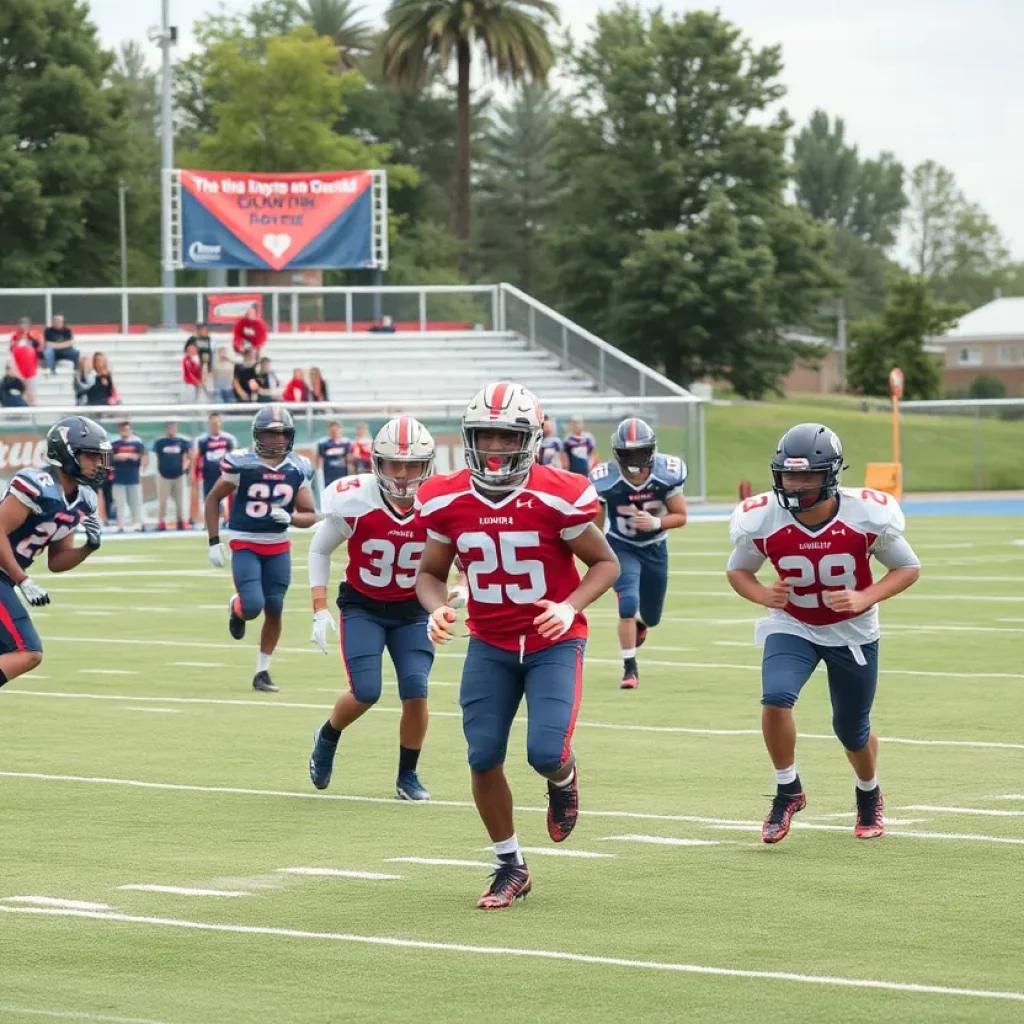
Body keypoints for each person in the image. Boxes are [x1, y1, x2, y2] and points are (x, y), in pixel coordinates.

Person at [415, 382, 620, 910]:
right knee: (483, 757)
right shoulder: (447, 497)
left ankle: (565, 778)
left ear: (529, 440)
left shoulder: (560, 492)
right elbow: (430, 574)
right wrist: (436, 606)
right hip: (490, 642)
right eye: (486, 436)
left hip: (553, 640)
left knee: (546, 753)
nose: (495, 448)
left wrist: (569, 605)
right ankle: (510, 864)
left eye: (507, 437)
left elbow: (606, 564)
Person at [725, 423, 922, 845]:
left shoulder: (865, 515)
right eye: (788, 475)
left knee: (851, 728)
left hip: (851, 631)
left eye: (807, 475)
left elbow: (908, 568)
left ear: (830, 474)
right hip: (793, 624)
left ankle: (868, 793)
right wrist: (763, 594)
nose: (795, 485)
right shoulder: (764, 518)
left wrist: (865, 596)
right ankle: (787, 789)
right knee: (776, 696)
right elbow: (738, 570)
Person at [307, 417, 439, 801]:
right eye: (394, 464)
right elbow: (319, 548)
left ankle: (407, 775)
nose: (402, 474)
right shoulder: (355, 501)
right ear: (376, 464)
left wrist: (459, 591)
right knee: (366, 691)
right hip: (364, 605)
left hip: (413, 610)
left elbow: (462, 558)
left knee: (416, 690)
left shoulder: (438, 504)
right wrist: (319, 607)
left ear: (427, 464)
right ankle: (327, 735)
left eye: (412, 464)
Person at [205, 406, 318, 693]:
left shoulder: (298, 467)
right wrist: (214, 541)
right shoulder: (242, 464)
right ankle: (237, 607)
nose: (275, 441)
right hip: (245, 541)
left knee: (276, 608)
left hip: (278, 546)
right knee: (253, 606)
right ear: (257, 435)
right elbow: (212, 499)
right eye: (269, 435)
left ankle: (262, 671)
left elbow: (309, 515)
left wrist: (290, 517)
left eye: (281, 435)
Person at [0, 416, 108, 687]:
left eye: (100, 456)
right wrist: (23, 580)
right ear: (68, 453)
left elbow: (57, 560)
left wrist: (88, 549)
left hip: (7, 578)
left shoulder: (83, 499)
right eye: (92, 455)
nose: (99, 463)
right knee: (27, 651)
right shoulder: (36, 483)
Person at [591, 417, 688, 690]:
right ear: (618, 453)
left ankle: (642, 626)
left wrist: (657, 522)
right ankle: (629, 668)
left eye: (639, 451)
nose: (634, 458)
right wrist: (597, 556)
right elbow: (595, 527)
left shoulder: (666, 474)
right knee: (627, 603)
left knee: (653, 616)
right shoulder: (605, 479)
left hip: (656, 547)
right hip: (621, 546)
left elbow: (681, 515)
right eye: (628, 453)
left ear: (651, 450)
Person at [194, 413, 236, 523]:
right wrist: (194, 474)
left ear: (220, 423)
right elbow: (197, 458)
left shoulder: (228, 439)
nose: (214, 425)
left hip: (224, 475)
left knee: (225, 499)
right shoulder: (203, 440)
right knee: (209, 500)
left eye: (216, 423)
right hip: (208, 475)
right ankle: (211, 522)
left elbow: (234, 456)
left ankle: (227, 520)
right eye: (212, 423)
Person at [152, 421, 191, 531]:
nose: (171, 429)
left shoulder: (182, 441)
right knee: (162, 501)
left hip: (179, 475)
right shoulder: (160, 442)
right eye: (169, 427)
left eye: (173, 427)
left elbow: (187, 455)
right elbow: (156, 456)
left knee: (180, 501)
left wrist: (185, 467)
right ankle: (161, 522)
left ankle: (181, 521)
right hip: (163, 475)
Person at [111, 420, 147, 532]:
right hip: (119, 478)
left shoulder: (137, 444)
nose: (125, 431)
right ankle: (120, 525)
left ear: (131, 430)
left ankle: (137, 524)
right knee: (120, 504)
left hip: (133, 478)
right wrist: (126, 456)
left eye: (127, 429)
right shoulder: (115, 444)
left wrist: (124, 456)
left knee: (135, 503)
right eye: (122, 429)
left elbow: (140, 457)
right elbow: (110, 458)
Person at [10, 319, 41, 404]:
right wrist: (19, 338)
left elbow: (38, 347)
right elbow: (12, 348)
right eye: (22, 324)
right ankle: (23, 403)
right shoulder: (15, 336)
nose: (24, 326)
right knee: (22, 387)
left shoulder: (34, 335)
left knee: (31, 387)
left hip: (30, 365)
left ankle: (32, 403)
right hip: (19, 365)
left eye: (26, 324)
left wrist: (29, 336)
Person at [315, 421, 351, 488]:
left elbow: (349, 459)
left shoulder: (346, 443)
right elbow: (319, 459)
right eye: (332, 430)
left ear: (340, 429)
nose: (334, 432)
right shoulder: (323, 443)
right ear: (329, 430)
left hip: (342, 474)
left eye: (336, 429)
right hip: (329, 475)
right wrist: (318, 473)